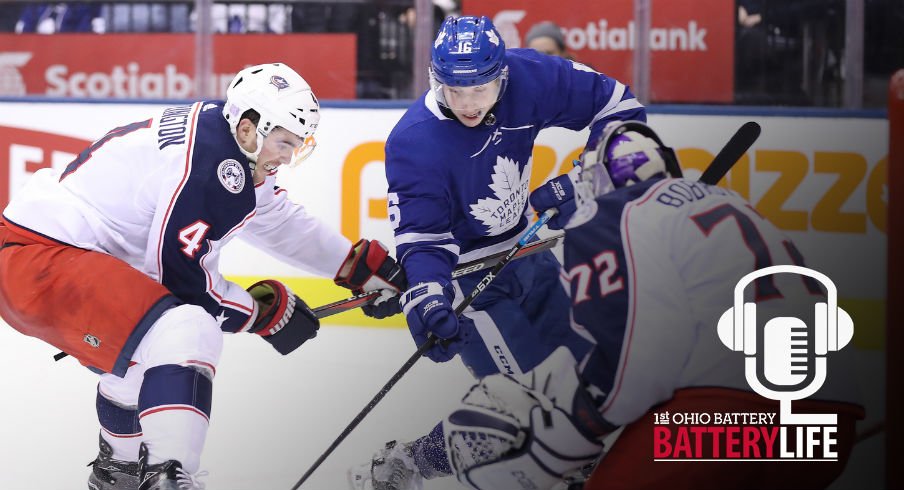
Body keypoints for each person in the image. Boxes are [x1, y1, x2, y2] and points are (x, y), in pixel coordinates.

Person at [357, 120, 865, 490]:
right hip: (825, 430)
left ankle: (413, 462)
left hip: (724, 423)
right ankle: (420, 459)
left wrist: (561, 444)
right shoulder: (732, 204)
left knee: (541, 411)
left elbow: (623, 377)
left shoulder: (615, 220)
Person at [0, 62, 405, 490]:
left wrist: (356, 266)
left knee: (151, 351)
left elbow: (274, 217)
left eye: (296, 144)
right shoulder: (208, 166)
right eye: (284, 142)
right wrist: (261, 313)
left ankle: (116, 471)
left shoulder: (226, 137)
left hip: (41, 257)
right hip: (43, 261)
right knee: (189, 328)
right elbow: (182, 282)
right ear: (250, 130)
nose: (288, 156)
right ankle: (168, 477)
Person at [348, 14, 646, 488]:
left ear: (502, 75)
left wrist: (589, 177)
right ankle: (410, 463)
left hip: (529, 251)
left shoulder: (532, 76)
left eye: (480, 90)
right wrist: (427, 296)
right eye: (455, 90)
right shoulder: (415, 141)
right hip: (471, 279)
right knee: (528, 404)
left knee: (589, 380)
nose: (468, 104)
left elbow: (620, 105)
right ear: (435, 79)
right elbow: (424, 237)